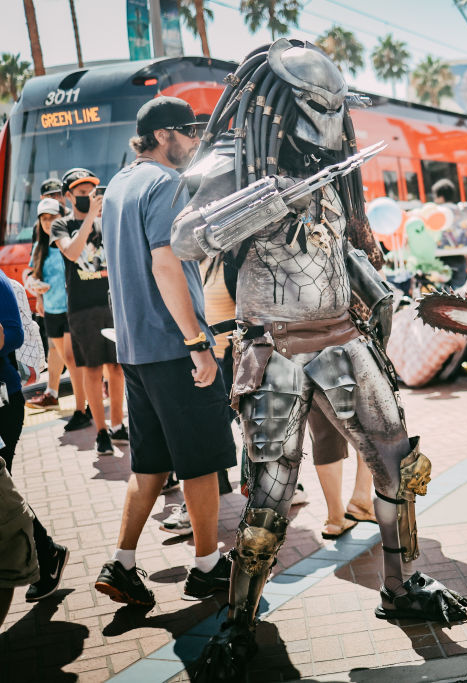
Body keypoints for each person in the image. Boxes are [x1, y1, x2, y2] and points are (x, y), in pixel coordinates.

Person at [171, 41, 467, 675]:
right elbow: (185, 236)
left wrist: (375, 288)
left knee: (400, 468)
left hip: (345, 339)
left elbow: (337, 249)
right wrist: (268, 200)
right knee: (269, 497)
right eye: (315, 104)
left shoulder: (327, 166)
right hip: (274, 349)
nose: (328, 117)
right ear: (281, 102)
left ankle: (402, 583)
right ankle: (239, 617)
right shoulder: (238, 162)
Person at [96, 96, 236, 607]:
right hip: (174, 346)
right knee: (200, 463)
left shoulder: (117, 186)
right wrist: (198, 342)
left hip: (134, 348)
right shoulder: (165, 184)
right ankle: (207, 567)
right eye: (187, 130)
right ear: (161, 135)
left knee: (149, 464)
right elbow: (165, 264)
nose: (195, 139)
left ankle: (123, 563)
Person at [0, 273, 70, 604]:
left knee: (3, 490)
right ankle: (47, 553)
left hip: (4, 402)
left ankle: (44, 555)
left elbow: (12, 334)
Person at [50, 169, 127, 454]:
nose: (87, 197)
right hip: (82, 310)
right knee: (92, 370)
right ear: (68, 196)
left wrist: (103, 217)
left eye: (91, 192)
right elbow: (71, 252)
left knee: (117, 368)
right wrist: (88, 220)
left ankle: (119, 425)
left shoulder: (105, 221)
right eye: (81, 193)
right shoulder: (61, 225)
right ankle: (101, 431)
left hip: (111, 305)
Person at [25, 198, 88, 418]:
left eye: (53, 217)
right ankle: (80, 403)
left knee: (72, 359)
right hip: (51, 312)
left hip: (71, 310)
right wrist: (36, 291)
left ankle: (83, 408)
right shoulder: (39, 246)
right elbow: (33, 274)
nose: (49, 222)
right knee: (65, 358)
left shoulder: (68, 242)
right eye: (44, 218)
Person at [432, 178, 467, 287]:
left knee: (440, 295)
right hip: (460, 258)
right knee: (458, 295)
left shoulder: (435, 212)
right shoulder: (462, 211)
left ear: (441, 197)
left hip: (439, 260)